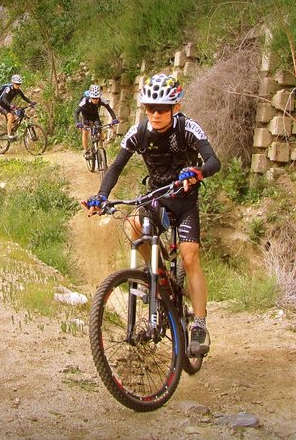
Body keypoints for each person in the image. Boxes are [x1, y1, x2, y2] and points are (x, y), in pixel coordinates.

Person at [82, 73, 221, 357]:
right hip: (156, 197)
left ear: (175, 108)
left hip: (184, 199)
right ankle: (155, 274)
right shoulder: (138, 132)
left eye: (161, 109)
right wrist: (102, 196)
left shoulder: (187, 128)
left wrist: (198, 172)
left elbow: (213, 160)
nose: (155, 114)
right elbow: (116, 167)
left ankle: (199, 323)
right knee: (133, 224)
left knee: (190, 255)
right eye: (149, 108)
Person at [75, 84, 119, 159]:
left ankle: (101, 149)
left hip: (95, 116)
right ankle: (86, 151)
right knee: (85, 132)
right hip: (86, 116)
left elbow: (110, 110)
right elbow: (76, 112)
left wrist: (114, 119)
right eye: (93, 98)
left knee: (99, 130)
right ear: (90, 96)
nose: (95, 100)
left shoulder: (102, 99)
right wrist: (78, 123)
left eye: (97, 98)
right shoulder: (84, 100)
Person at [0, 74, 35, 139]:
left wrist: (31, 102)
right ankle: (9, 135)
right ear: (13, 83)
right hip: (1, 105)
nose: (18, 86)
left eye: (19, 84)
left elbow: (24, 97)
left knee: (16, 117)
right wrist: (10, 105)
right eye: (16, 84)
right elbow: (3, 99)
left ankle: (12, 131)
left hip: (8, 106)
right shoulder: (8, 89)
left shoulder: (18, 90)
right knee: (10, 117)